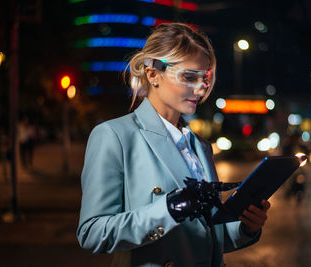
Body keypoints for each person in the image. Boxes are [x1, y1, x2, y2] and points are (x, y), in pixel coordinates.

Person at [77, 23, 271, 267]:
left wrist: (246, 227)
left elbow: (207, 239)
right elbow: (92, 233)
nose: (201, 88)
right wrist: (166, 209)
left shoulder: (200, 146)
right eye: (189, 77)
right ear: (153, 74)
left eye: (205, 78)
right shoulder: (114, 136)